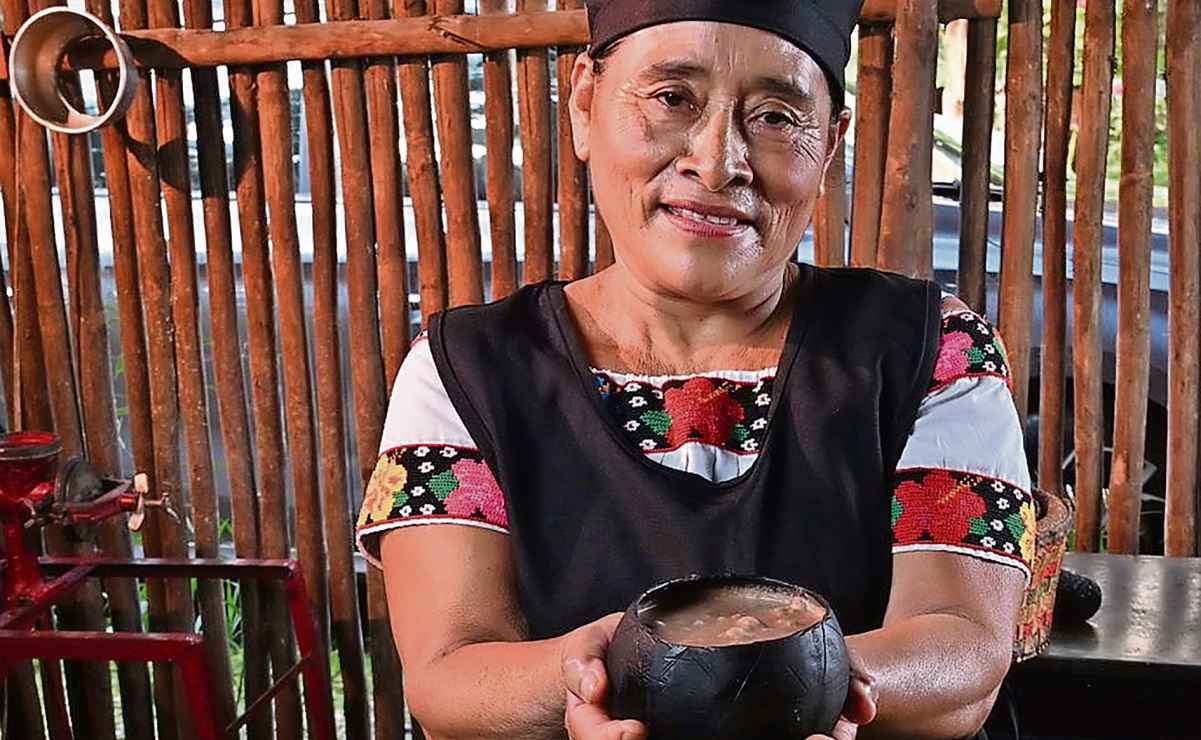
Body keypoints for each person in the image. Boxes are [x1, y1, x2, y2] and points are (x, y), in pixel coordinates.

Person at [356, 1, 1033, 737]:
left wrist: (802, 685)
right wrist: (579, 678)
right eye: (672, 99)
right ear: (585, 104)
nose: (716, 161)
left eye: (776, 117)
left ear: (830, 143)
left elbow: (964, 641)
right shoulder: (467, 372)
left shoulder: (930, 350)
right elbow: (449, 673)